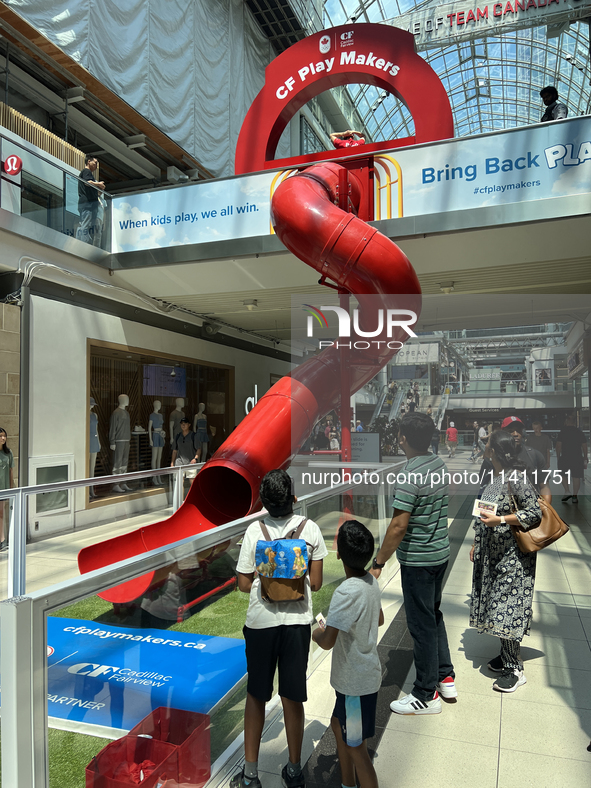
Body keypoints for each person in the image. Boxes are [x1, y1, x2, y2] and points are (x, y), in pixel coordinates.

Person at [231, 470, 328, 788]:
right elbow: (315, 582)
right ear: (293, 498)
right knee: (292, 697)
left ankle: (250, 775)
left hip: (261, 624)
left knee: (256, 696)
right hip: (297, 624)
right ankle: (295, 770)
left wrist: (268, 570)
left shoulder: (253, 531)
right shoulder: (309, 529)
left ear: (264, 502)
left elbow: (245, 585)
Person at [371, 413, 455, 714]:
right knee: (433, 615)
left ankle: (425, 693)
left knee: (420, 625)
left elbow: (397, 526)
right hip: (439, 554)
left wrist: (379, 560)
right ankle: (445, 675)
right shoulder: (438, 465)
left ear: (403, 437)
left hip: (418, 561)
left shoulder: (409, 474)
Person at [469, 430, 542, 692]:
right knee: (496, 604)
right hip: (492, 555)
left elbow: (534, 513)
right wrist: (476, 542)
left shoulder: (517, 479)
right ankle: (506, 655)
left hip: (514, 556)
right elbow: (482, 514)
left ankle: (515, 669)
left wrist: (501, 520)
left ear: (496, 451)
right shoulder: (493, 478)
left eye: (487, 443)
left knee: (505, 606)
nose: (484, 445)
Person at [313, 520, 383, 788]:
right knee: (336, 724)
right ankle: (346, 783)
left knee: (356, 748)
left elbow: (328, 641)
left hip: (354, 684)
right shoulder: (370, 582)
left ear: (339, 553)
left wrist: (315, 632)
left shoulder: (345, 591)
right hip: (362, 677)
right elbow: (378, 619)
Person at [478, 417, 551, 502]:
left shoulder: (535, 455)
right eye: (510, 431)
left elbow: (544, 486)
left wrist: (545, 509)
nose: (516, 434)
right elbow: (484, 489)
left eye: (519, 430)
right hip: (499, 510)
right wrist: (484, 513)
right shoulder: (492, 459)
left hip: (527, 511)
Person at [556, 413, 588, 504]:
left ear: (566, 422)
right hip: (577, 457)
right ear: (574, 422)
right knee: (576, 477)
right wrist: (585, 457)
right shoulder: (579, 432)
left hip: (565, 456)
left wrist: (558, 457)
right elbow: (584, 446)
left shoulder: (562, 432)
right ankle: (574, 496)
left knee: (563, 474)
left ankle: (567, 491)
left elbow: (558, 446)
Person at [76, 155, 105, 246]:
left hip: (91, 206)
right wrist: (98, 183)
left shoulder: (90, 175)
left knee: (89, 226)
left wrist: (100, 188)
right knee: (85, 225)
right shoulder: (86, 171)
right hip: (87, 205)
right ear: (89, 161)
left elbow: (96, 194)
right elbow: (87, 182)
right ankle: (83, 245)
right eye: (95, 163)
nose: (96, 166)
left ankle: (85, 244)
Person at [0, 428, 15, 550]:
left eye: (4, 436)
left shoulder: (8, 453)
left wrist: (12, 487)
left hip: (3, 488)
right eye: (0, 436)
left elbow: (11, 471)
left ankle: (2, 540)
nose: (3, 438)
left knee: (1, 513)